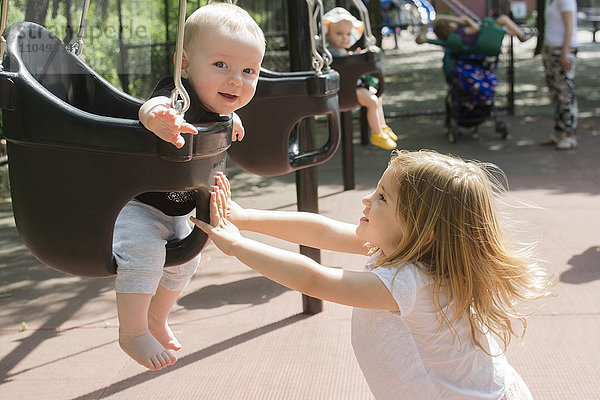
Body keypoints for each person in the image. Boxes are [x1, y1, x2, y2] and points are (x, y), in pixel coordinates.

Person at [193, 150, 554, 399]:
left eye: (382, 197)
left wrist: (238, 246)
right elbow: (320, 232)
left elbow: (314, 280)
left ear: (421, 231)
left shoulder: (409, 282)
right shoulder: (404, 247)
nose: (367, 200)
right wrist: (243, 216)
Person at [114, 3, 265, 371]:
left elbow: (221, 105)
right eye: (221, 65)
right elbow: (150, 107)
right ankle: (131, 331)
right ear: (184, 65)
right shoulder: (177, 95)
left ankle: (156, 318)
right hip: (136, 205)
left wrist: (232, 113)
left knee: (186, 262)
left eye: (249, 71)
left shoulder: (220, 105)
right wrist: (159, 118)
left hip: (179, 208)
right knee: (144, 253)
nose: (235, 80)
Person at [323, 7, 398, 150]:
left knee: (377, 97)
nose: (344, 37)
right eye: (339, 33)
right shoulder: (330, 54)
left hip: (353, 88)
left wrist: (357, 55)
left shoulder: (342, 51)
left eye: (347, 34)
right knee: (372, 101)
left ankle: (382, 126)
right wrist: (357, 58)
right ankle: (377, 134)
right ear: (327, 34)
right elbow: (344, 62)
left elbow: (349, 59)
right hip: (345, 92)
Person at [539, 0, 578, 150]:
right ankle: (559, 132)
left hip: (562, 51)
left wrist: (564, 53)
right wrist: (544, 46)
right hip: (551, 50)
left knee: (565, 93)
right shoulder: (550, 1)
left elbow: (570, 26)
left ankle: (570, 135)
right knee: (555, 93)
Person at [416, 14, 534, 46]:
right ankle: (521, 35)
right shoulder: (460, 33)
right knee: (503, 19)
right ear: (447, 29)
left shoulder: (458, 32)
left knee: (502, 25)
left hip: (484, 35)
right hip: (483, 35)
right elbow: (476, 29)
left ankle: (518, 34)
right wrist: (467, 20)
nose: (454, 22)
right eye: (450, 23)